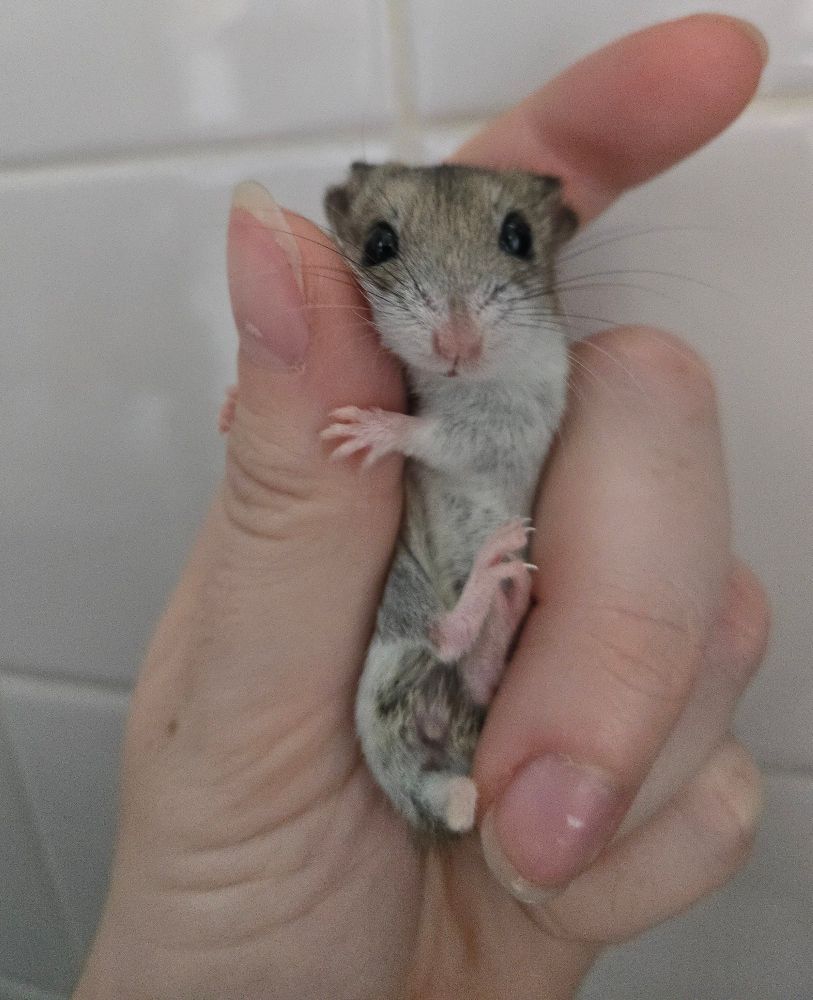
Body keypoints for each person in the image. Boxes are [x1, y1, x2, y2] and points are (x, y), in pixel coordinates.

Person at [73, 15, 770, 1000]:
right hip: (411, 644)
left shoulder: (537, 378)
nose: (454, 323)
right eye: (395, 247)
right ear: (358, 239)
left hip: (476, 597)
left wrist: (407, 437)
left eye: (510, 242)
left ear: (546, 240)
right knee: (405, 685)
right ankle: (444, 759)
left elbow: (492, 438)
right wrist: (296, 399)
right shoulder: (369, 356)